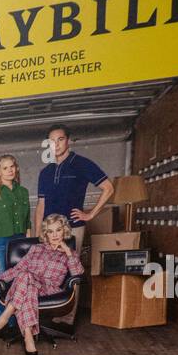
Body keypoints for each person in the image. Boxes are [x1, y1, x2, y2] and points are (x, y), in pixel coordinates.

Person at [34, 124, 113, 324]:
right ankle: (50, 317)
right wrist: (37, 234)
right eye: (51, 141)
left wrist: (90, 214)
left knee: (71, 271)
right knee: (49, 273)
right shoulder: (45, 172)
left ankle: (67, 320)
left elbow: (108, 188)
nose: (56, 144)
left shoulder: (82, 164)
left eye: (60, 139)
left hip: (72, 228)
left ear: (68, 140)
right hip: (48, 231)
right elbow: (41, 205)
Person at [0, 214, 83, 355]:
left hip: (49, 289)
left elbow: (77, 273)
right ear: (46, 234)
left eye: (58, 230)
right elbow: (17, 269)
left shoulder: (70, 254)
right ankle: (28, 337)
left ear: (64, 231)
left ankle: (7, 314)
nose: (55, 235)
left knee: (25, 277)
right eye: (50, 231)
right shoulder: (36, 249)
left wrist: (67, 251)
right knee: (26, 278)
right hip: (27, 286)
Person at [0, 154, 31, 321]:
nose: (9, 170)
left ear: (16, 169)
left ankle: (18, 322)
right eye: (5, 168)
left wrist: (29, 246)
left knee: (21, 281)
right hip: (1, 243)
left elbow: (28, 222)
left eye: (12, 167)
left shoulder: (23, 192)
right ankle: (0, 322)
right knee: (1, 281)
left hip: (21, 242)